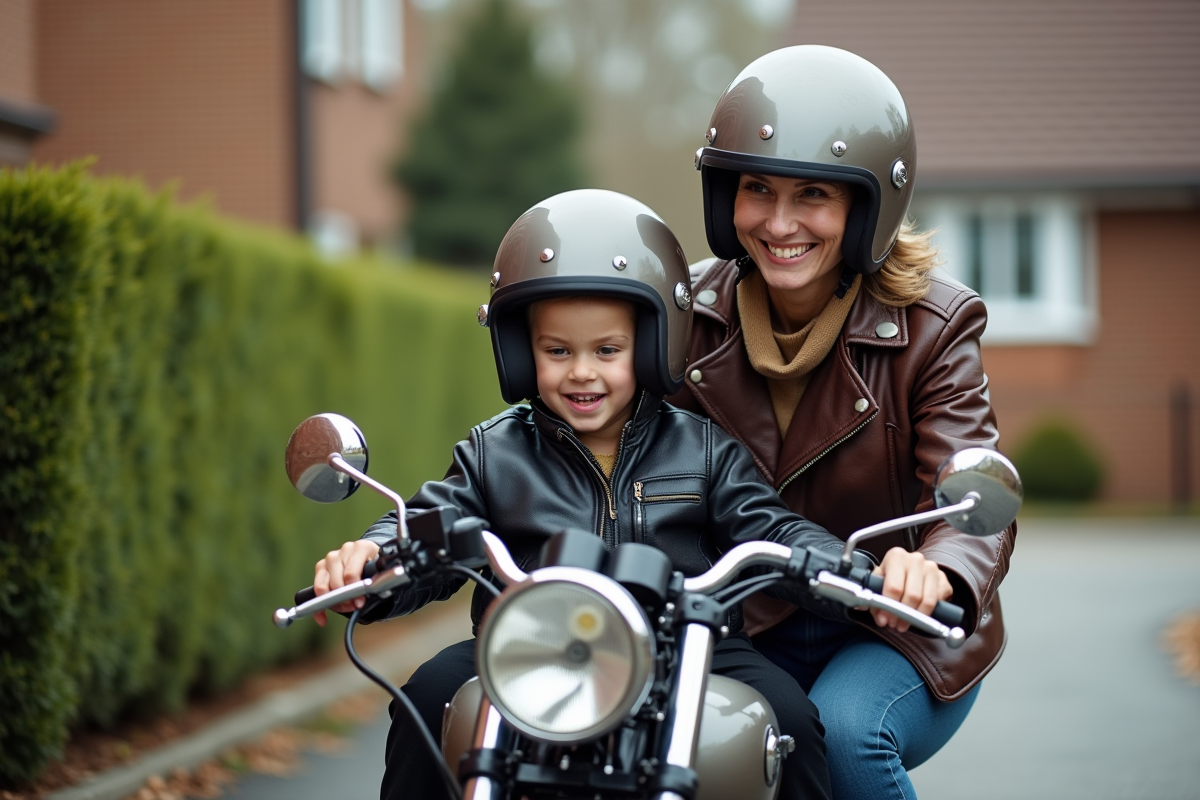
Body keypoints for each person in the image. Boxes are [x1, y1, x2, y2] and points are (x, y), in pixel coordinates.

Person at [311, 189, 860, 800]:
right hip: (530, 647)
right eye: (556, 351)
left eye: (607, 350)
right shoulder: (495, 453)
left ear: (652, 344)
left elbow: (773, 530)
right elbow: (432, 518)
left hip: (689, 652)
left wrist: (846, 569)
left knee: (789, 724)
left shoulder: (704, 449)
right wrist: (375, 556)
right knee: (427, 698)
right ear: (521, 351)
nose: (581, 372)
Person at [668, 45, 1017, 799]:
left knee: (845, 736)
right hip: (741, 616)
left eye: (814, 195)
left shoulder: (935, 324)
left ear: (868, 206)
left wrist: (937, 565)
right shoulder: (682, 314)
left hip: (890, 626)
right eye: (756, 188)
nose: (780, 222)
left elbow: (973, 489)